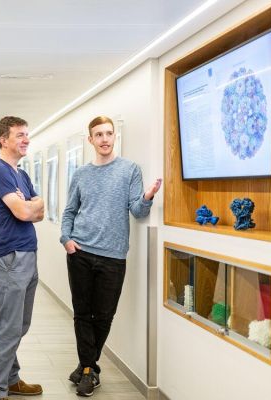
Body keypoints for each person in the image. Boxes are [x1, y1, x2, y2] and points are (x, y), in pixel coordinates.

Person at [60, 115, 162, 397]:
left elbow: (138, 212)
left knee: (104, 315)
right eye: (98, 134)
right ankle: (90, 372)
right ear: (90, 140)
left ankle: (85, 366)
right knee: (82, 314)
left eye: (108, 133)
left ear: (114, 136)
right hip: (79, 252)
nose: (104, 139)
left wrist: (148, 196)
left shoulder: (130, 170)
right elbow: (70, 210)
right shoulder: (81, 174)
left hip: (113, 256)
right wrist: (66, 239)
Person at [0, 116, 45, 400]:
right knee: (8, 327)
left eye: (27, 134)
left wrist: (34, 203)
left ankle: (11, 379)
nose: (26, 139)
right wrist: (29, 205)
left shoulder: (21, 174)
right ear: (3, 140)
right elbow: (23, 213)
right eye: (19, 135)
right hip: (10, 258)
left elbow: (40, 210)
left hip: (27, 256)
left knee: (20, 325)